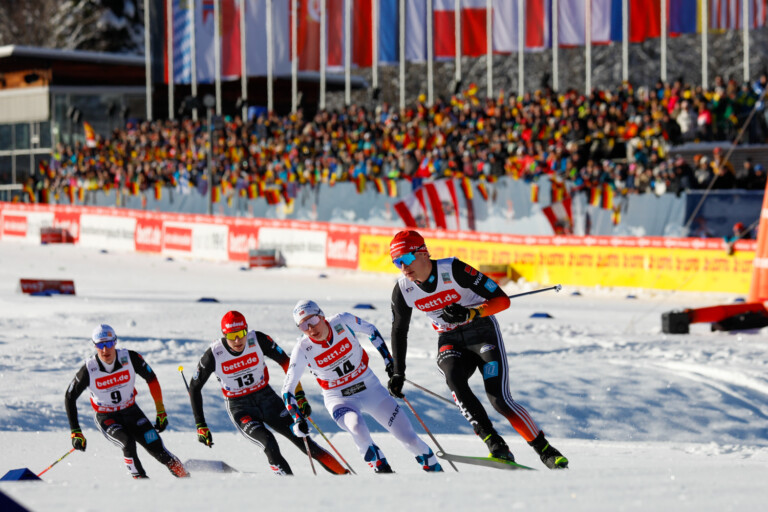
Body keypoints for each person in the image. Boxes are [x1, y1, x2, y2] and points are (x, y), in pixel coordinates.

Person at [386, 230, 569, 470]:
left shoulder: (453, 270)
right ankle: (496, 444)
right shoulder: (403, 289)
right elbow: (399, 331)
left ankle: (545, 450)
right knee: (454, 378)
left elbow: (502, 300)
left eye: (407, 258)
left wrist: (471, 312)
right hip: (449, 339)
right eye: (397, 262)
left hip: (482, 332)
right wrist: (398, 372)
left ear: (423, 253)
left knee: (499, 400)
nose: (403, 267)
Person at [282, 299, 443, 474]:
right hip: (339, 398)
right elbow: (287, 389)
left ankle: (436, 473)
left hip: (370, 388)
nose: (311, 329)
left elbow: (371, 330)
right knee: (356, 426)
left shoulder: (342, 321)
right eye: (303, 326)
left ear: (321, 316)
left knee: (410, 440)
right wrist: (297, 418)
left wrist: (389, 361)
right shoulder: (302, 348)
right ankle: (382, 471)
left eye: (312, 320)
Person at [188, 311, 347, 475]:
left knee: (304, 441)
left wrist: (299, 396)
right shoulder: (214, 354)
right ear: (224, 334)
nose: (237, 340)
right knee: (269, 444)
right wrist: (201, 425)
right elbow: (194, 387)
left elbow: (286, 362)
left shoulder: (258, 340)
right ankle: (290, 485)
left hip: (267, 399)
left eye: (241, 334)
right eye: (231, 335)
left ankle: (346, 478)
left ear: (246, 330)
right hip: (240, 408)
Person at [64, 324, 189, 479]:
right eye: (100, 345)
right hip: (106, 417)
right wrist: (76, 431)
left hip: (131, 411)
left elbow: (151, 379)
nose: (105, 350)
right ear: (95, 346)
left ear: (115, 342)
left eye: (109, 343)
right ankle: (142, 483)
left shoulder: (129, 358)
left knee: (158, 448)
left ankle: (187, 479)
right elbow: (69, 396)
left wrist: (160, 410)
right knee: (127, 443)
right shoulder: (89, 369)